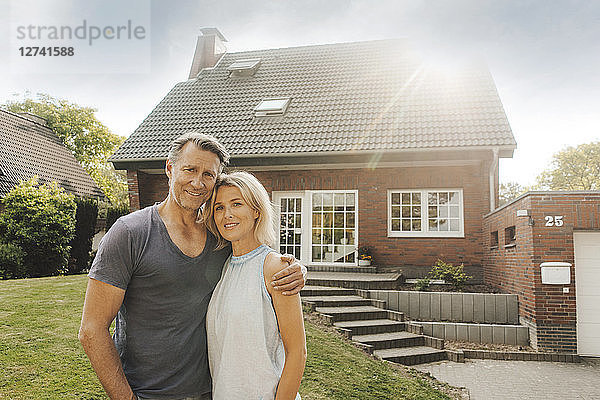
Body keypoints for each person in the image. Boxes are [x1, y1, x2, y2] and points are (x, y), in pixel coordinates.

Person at [79, 132, 306, 400]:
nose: (198, 182)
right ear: (169, 168)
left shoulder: (218, 237)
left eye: (208, 175)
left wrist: (295, 269)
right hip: (149, 393)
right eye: (190, 169)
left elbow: (253, 258)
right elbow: (91, 330)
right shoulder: (130, 233)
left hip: (211, 392)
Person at [204, 171, 306, 400]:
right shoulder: (224, 266)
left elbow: (297, 353)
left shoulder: (276, 267)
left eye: (236, 204)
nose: (227, 214)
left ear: (256, 210)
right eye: (219, 207)